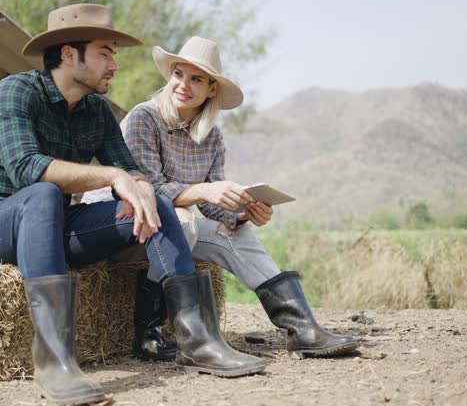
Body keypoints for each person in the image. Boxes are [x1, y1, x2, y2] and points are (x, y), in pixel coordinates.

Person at [0, 7, 266, 405]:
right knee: (43, 193)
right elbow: (27, 170)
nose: (115, 64)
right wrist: (113, 179)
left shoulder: (97, 111)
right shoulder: (15, 91)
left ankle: (198, 341)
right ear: (70, 54)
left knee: (154, 198)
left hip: (53, 230)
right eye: (106, 53)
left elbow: (131, 170)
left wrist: (137, 190)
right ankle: (55, 363)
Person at [121, 36, 358, 362]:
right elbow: (147, 190)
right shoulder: (142, 118)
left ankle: (302, 329)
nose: (183, 85)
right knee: (183, 222)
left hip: (173, 229)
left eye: (196, 79)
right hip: (125, 222)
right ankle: (148, 336)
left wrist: (244, 213)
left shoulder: (212, 137)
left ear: (211, 90)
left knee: (236, 233)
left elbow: (211, 204)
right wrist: (204, 191)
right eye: (179, 74)